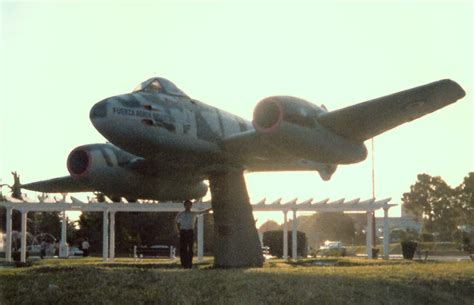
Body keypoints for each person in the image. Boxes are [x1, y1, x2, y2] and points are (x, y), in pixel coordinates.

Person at [175, 200, 210, 269]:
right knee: (183, 248)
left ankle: (189, 263)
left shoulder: (193, 213)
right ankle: (183, 264)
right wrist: (177, 231)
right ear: (184, 206)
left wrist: (210, 208)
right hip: (183, 231)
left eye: (189, 205)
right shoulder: (181, 214)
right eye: (186, 205)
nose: (188, 206)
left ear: (191, 206)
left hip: (190, 231)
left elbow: (202, 212)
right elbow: (175, 222)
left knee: (190, 248)